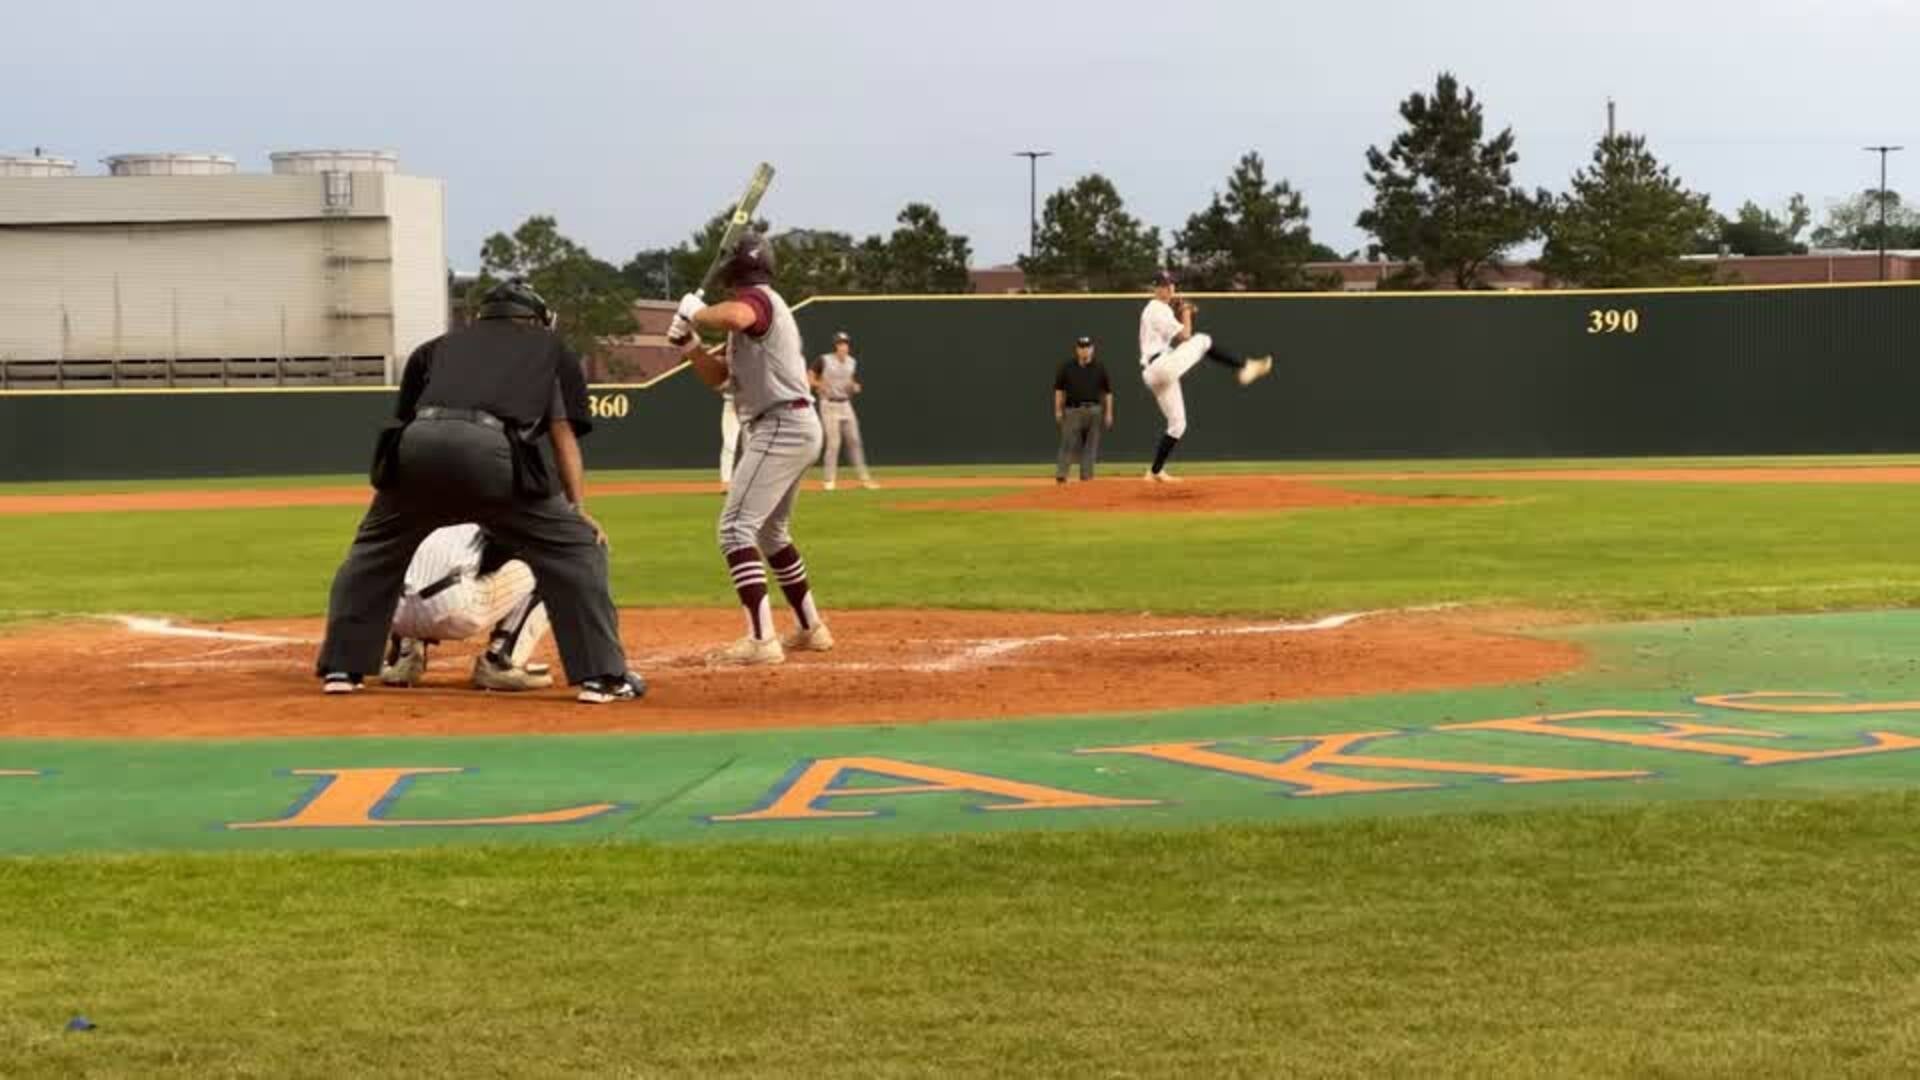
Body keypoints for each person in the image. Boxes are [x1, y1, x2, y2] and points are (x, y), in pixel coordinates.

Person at [314, 279, 645, 704]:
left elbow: (410, 416)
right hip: (489, 451)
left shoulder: (434, 348)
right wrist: (577, 508)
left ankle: (343, 668)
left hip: (416, 445)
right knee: (577, 549)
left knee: (374, 550)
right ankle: (604, 677)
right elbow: (562, 435)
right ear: (534, 318)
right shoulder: (549, 348)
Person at [669, 234, 834, 666]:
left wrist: (696, 312)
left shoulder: (758, 301)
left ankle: (761, 640)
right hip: (789, 423)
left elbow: (738, 315)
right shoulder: (758, 312)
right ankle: (809, 627)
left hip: (781, 423)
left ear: (733, 275)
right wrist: (688, 345)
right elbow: (720, 378)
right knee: (771, 534)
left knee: (735, 529)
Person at [378, 523, 554, 692]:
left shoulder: (409, 502)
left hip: (396, 614)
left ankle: (405, 657)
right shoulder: (493, 504)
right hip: (454, 609)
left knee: (416, 573)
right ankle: (499, 661)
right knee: (549, 564)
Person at [1138, 270, 1274, 482]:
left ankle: (1154, 472)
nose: (1170, 288)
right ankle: (1245, 366)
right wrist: (1186, 312)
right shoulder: (1157, 307)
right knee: (1202, 340)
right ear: (1155, 288)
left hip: (1158, 369)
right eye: (1165, 285)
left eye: (1172, 284)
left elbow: (1175, 336)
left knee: (1178, 424)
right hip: (1160, 367)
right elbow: (1186, 336)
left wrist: (1182, 313)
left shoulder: (1157, 310)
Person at [811, 330, 878, 491]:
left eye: (845, 343)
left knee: (855, 441)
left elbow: (850, 379)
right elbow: (810, 376)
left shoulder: (851, 362)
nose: (843, 346)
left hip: (845, 404)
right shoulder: (824, 360)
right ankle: (829, 481)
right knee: (834, 443)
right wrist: (818, 385)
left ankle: (864, 479)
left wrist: (853, 385)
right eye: (840, 343)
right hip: (829, 404)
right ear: (835, 346)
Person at [1053, 334, 1114, 483]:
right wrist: (1058, 410)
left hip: (1094, 410)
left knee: (1090, 446)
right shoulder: (1067, 367)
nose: (1084, 350)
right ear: (1077, 350)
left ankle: (1086, 477)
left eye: (1087, 347)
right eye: (1082, 347)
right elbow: (1059, 390)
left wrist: (1109, 413)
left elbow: (1108, 392)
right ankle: (1062, 475)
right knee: (1068, 443)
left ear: (1092, 349)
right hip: (1072, 410)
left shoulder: (1100, 367)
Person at [717, 375, 741, 492]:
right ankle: (725, 482)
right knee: (729, 444)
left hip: (755, 405)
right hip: (731, 405)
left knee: (757, 443)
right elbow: (718, 385)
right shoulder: (728, 361)